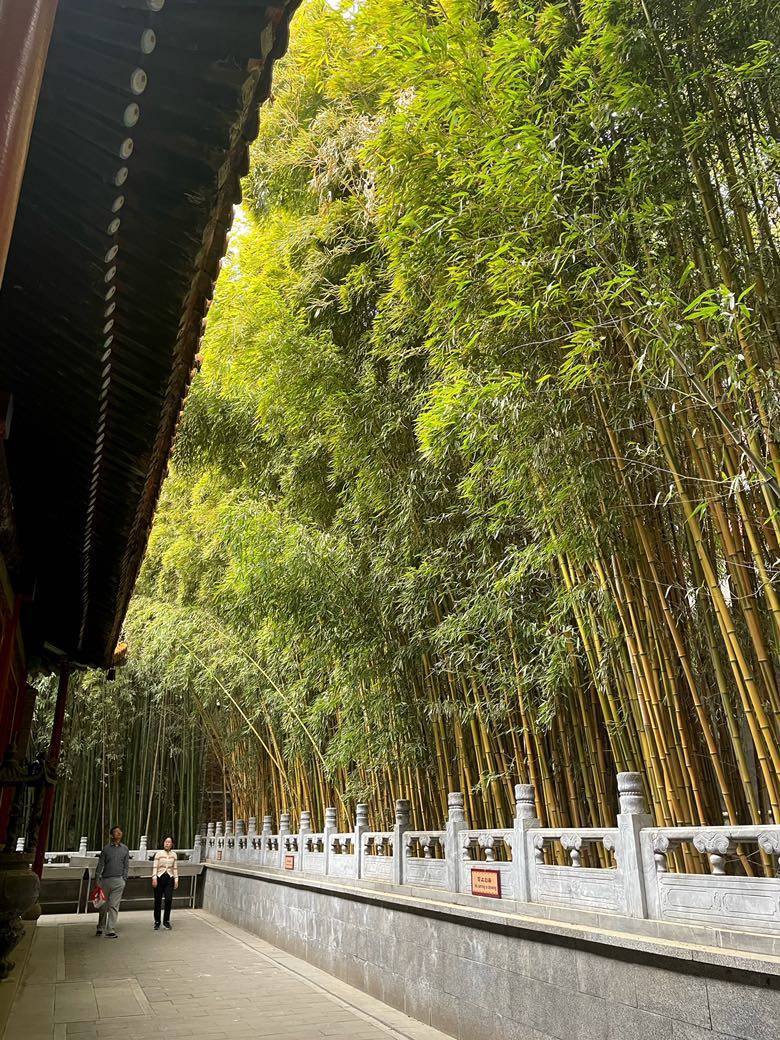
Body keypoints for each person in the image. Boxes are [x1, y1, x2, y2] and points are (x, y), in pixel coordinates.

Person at [95, 825, 129, 938]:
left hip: (119, 880)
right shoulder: (106, 849)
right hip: (105, 880)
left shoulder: (125, 849)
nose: (118, 833)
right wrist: (97, 879)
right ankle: (100, 927)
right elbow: (100, 865)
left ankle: (110, 930)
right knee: (103, 906)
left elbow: (126, 866)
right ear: (111, 835)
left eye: (120, 832)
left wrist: (124, 879)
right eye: (116, 832)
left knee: (114, 905)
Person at [152, 836, 179, 930]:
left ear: (172, 844)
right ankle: (157, 922)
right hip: (159, 878)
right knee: (158, 901)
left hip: (169, 878)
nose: (167, 843)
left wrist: (176, 879)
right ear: (163, 843)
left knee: (168, 899)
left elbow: (175, 868)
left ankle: (166, 921)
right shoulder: (159, 854)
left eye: (169, 842)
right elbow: (155, 866)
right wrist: (154, 877)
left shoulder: (174, 855)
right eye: (166, 842)